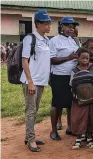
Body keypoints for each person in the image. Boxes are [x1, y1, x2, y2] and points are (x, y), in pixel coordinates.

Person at [20, 9, 51, 152]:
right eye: (45, 23)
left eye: (49, 23)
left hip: (41, 81)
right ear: (37, 24)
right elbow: (24, 60)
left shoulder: (46, 40)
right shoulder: (30, 39)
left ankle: (29, 135)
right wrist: (30, 81)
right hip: (31, 81)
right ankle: (31, 140)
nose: (48, 26)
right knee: (31, 111)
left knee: (35, 109)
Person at [49, 16, 79, 140]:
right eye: (68, 26)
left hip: (72, 76)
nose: (71, 29)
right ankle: (54, 130)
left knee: (70, 103)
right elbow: (52, 59)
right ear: (62, 26)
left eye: (72, 27)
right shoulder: (54, 41)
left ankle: (70, 128)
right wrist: (69, 57)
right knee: (57, 104)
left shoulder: (73, 41)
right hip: (59, 76)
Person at [69, 47, 93, 150]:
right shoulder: (74, 70)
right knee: (79, 118)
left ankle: (90, 137)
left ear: (90, 58)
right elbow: (71, 85)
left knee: (91, 117)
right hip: (79, 100)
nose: (85, 59)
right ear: (77, 58)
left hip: (92, 99)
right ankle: (79, 137)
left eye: (87, 57)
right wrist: (76, 98)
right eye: (82, 57)